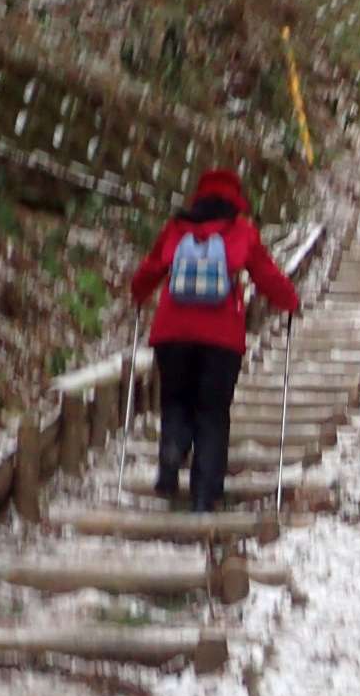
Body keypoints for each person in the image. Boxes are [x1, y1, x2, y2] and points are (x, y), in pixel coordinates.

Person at [129, 169, 301, 512]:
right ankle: (204, 495)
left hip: (172, 333)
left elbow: (150, 269)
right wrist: (291, 301)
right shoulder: (242, 231)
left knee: (175, 401)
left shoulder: (177, 229)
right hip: (221, 339)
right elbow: (266, 275)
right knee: (212, 413)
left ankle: (171, 457)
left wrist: (138, 292)